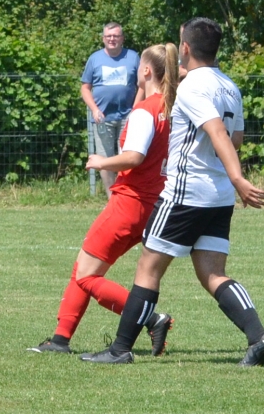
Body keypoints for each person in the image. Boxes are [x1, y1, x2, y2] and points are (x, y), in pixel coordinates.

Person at [83, 18, 264, 366]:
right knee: (212, 274)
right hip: (218, 197)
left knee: (148, 268)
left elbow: (216, 132)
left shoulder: (192, 88)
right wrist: (230, 179)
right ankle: (259, 337)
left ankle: (120, 350)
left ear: (185, 48)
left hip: (185, 193)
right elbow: (234, 139)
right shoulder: (230, 86)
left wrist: (238, 178)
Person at [30, 42, 178, 354]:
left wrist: (102, 162)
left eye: (138, 67)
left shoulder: (146, 111)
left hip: (129, 203)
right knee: (83, 268)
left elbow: (134, 156)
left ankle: (152, 318)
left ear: (146, 70)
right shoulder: (169, 107)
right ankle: (60, 339)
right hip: (153, 204)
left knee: (86, 275)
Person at [81, 23, 140, 191]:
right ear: (103, 38)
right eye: (108, 36)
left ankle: (126, 194)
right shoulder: (95, 59)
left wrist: (136, 109)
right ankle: (111, 198)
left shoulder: (133, 57)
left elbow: (142, 85)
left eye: (116, 36)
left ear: (122, 38)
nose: (112, 39)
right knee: (104, 159)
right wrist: (94, 109)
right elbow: (85, 88)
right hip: (102, 118)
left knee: (126, 157)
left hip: (128, 116)